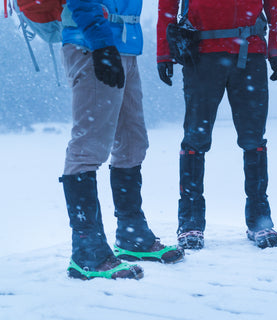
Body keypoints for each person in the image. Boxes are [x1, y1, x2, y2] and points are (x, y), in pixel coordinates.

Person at [59, 0, 184, 280]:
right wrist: (101, 43)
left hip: (123, 47)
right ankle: (87, 251)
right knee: (88, 147)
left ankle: (132, 236)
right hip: (91, 45)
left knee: (132, 142)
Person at [156, 0, 277, 250]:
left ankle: (260, 220)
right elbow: (167, 5)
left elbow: (276, 4)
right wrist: (164, 52)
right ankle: (190, 222)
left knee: (254, 139)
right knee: (195, 139)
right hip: (200, 54)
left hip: (250, 53)